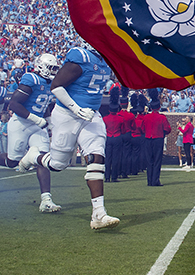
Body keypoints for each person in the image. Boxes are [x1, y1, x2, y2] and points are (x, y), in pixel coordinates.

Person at [18, 46, 119, 229]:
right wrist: (76, 108)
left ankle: (99, 213)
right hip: (68, 115)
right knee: (58, 164)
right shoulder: (81, 57)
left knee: (97, 157)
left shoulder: (107, 58)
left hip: (91, 115)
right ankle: (33, 156)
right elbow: (56, 86)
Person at [0, 55, 60, 213]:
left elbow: (43, 104)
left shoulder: (51, 83)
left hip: (37, 125)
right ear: (41, 67)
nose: (54, 71)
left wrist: (48, 120)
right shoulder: (31, 78)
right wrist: (35, 118)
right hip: (21, 123)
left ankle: (46, 199)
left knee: (43, 158)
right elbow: (13, 104)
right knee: (13, 162)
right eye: (51, 68)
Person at [142, 89, 171, 186]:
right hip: (158, 139)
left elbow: (142, 128)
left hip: (148, 139)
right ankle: (155, 180)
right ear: (159, 107)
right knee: (157, 160)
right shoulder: (162, 117)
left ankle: (150, 181)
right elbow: (168, 129)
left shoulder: (146, 117)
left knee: (149, 160)